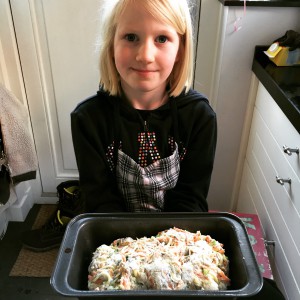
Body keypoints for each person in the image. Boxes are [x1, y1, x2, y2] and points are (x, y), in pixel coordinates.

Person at [71, 0, 217, 214]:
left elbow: (190, 200)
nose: (145, 56)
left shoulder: (199, 117)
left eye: (161, 39)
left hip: (175, 237)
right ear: (111, 45)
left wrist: (162, 245)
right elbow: (100, 202)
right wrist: (130, 246)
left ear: (180, 50)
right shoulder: (88, 120)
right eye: (131, 37)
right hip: (114, 237)